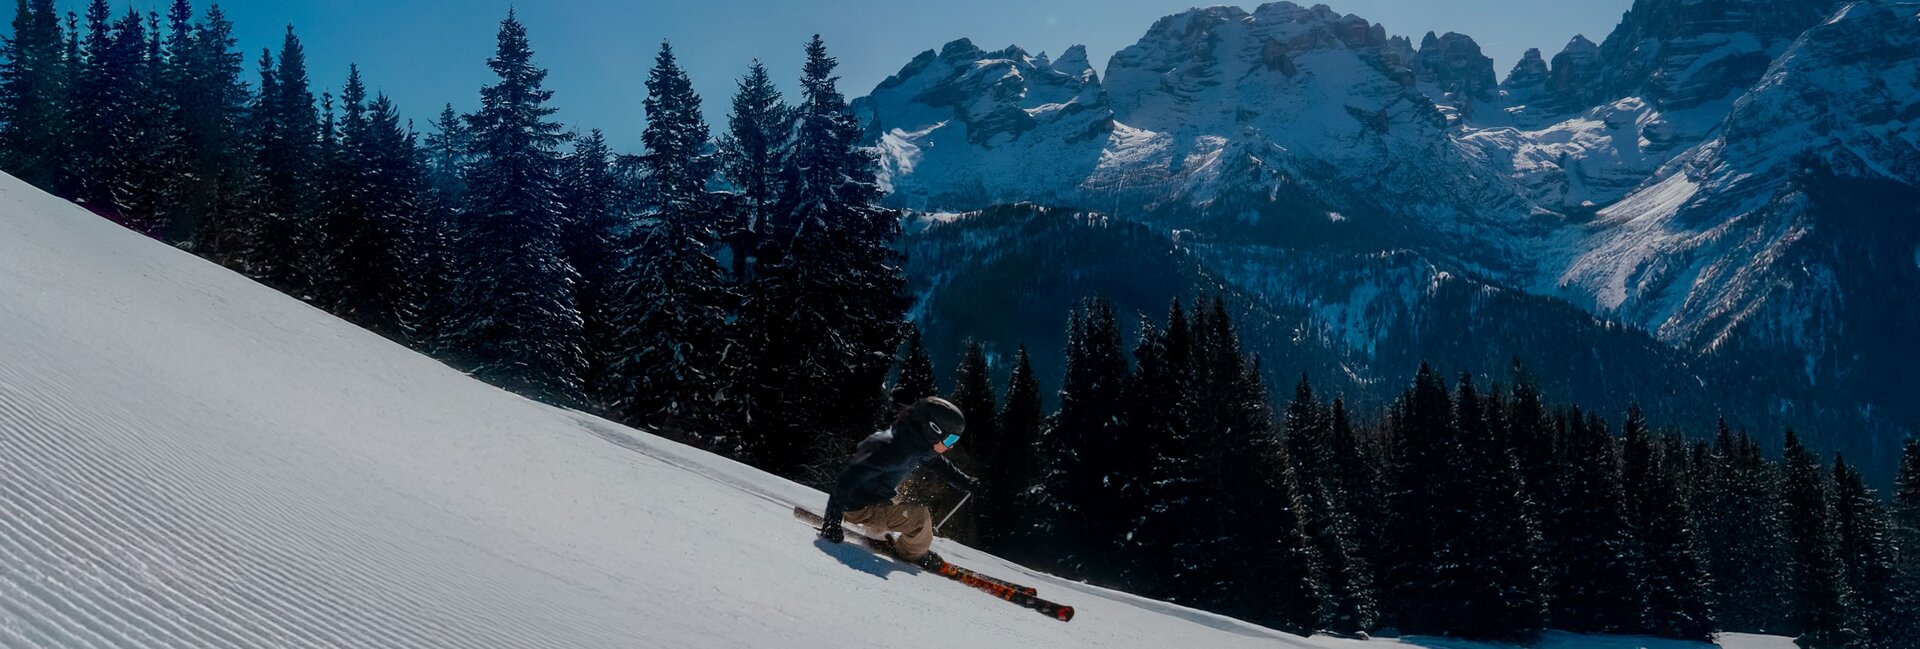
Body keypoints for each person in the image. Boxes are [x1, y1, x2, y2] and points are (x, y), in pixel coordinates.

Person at [818, 396, 975, 569]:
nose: (951, 446)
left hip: (872, 501)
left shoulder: (916, 445)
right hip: (858, 508)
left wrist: (965, 482)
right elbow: (848, 479)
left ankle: (877, 534)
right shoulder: (897, 451)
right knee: (920, 519)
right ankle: (913, 554)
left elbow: (937, 463)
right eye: (950, 440)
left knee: (900, 504)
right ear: (934, 430)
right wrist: (832, 522)